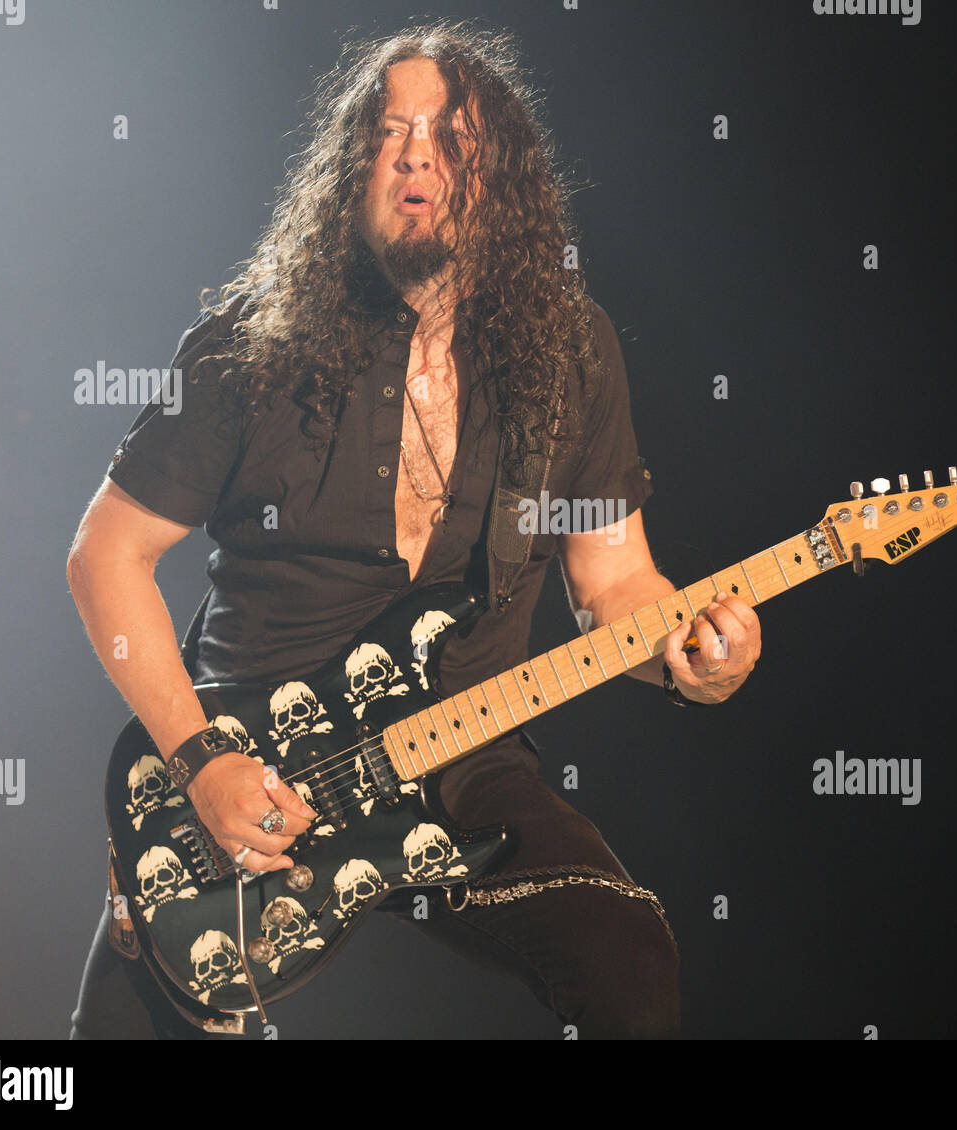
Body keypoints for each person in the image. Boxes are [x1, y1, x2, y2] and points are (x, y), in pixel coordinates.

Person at [66, 20, 761, 1040]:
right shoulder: (247, 350)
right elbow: (106, 556)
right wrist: (200, 757)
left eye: (448, 135)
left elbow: (616, 588)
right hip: (254, 761)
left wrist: (697, 657)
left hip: (463, 754)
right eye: (389, 133)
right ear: (353, 168)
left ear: (503, 174)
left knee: (626, 953)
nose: (415, 154)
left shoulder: (569, 352)